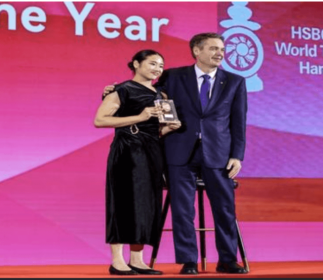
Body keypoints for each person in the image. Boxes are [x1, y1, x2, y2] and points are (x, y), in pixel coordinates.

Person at [103, 32, 248, 275]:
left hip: (219, 154)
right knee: (182, 209)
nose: (220, 53)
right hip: (179, 151)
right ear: (196, 51)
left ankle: (227, 259)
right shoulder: (173, 76)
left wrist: (237, 155)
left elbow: (238, 121)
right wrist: (115, 90)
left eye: (222, 49)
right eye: (213, 48)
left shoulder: (234, 81)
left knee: (224, 208)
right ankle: (188, 260)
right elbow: (142, 89)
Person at [94, 49, 181, 276]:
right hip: (127, 151)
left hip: (152, 152)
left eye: (160, 65)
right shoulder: (122, 89)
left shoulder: (161, 95)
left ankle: (137, 260)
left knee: (146, 204)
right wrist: (140, 117)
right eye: (152, 63)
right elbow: (100, 120)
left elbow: (157, 129)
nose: (157, 69)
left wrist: (168, 128)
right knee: (123, 202)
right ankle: (117, 261)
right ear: (136, 64)